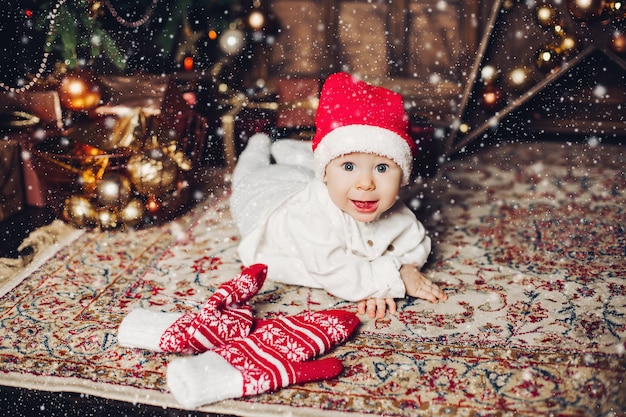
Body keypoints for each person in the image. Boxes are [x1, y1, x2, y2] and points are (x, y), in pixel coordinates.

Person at [230, 72, 448, 318]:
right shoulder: (310, 215)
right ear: (324, 173)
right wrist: (391, 278)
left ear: (402, 176)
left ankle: (290, 149)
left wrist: (404, 266)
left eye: (382, 168)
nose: (366, 184)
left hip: (306, 177)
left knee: (304, 171)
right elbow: (334, 271)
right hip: (265, 199)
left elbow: (418, 243)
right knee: (246, 176)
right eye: (349, 166)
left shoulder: (394, 212)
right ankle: (259, 143)